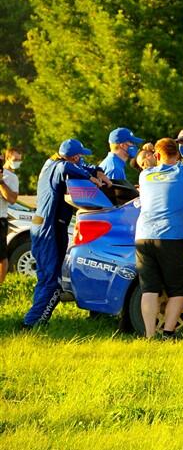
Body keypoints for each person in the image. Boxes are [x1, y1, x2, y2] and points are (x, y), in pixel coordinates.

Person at [22, 140, 111, 329]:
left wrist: (96, 170)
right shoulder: (59, 167)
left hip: (45, 225)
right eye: (80, 156)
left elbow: (77, 165)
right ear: (74, 156)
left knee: (46, 277)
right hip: (49, 228)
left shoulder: (51, 162)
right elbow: (66, 167)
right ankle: (31, 323)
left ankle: (36, 320)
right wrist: (90, 177)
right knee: (52, 280)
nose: (82, 159)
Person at [135, 138, 183, 338]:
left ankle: (149, 335)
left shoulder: (145, 176)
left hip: (143, 236)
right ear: (178, 154)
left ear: (157, 156)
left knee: (149, 289)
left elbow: (154, 167)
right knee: (178, 289)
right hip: (171, 236)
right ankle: (167, 333)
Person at [0, 147, 23, 285]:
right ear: (7, 158)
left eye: (19, 160)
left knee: (1, 257)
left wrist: (1, 182)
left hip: (0, 219)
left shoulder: (11, 178)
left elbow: (12, 199)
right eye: (15, 160)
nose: (17, 163)